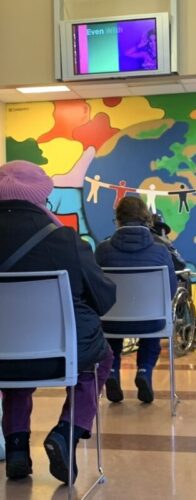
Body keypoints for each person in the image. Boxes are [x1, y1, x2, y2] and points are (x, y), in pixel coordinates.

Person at [0, 160, 116, 483]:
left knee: (14, 366)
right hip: (58, 355)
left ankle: (17, 448)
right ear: (41, 195)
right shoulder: (64, 240)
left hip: (2, 357)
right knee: (99, 358)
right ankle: (66, 432)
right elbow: (104, 299)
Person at [95, 196, 177, 404]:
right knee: (153, 321)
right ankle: (144, 371)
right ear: (147, 219)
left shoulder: (103, 251)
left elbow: (95, 286)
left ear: (118, 220)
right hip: (151, 321)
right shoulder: (161, 251)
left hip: (111, 322)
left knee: (110, 323)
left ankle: (112, 371)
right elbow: (170, 289)